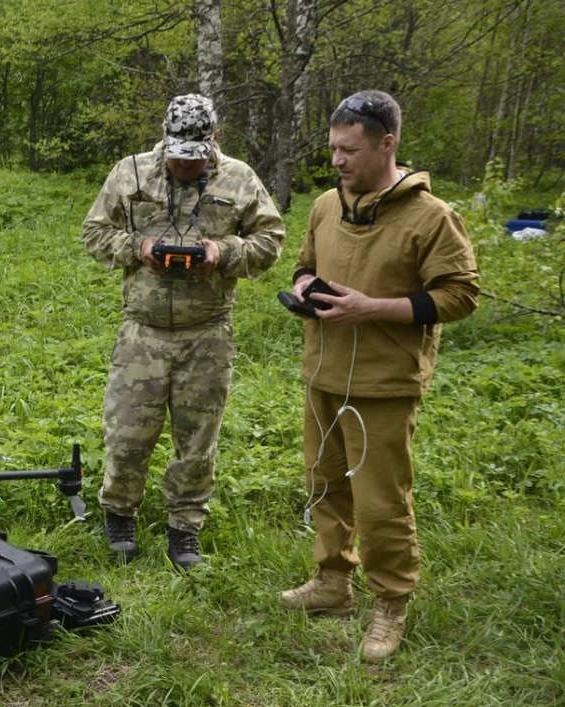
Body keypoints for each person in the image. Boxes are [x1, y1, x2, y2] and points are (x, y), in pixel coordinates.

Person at [280, 90, 479, 662]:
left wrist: (371, 307)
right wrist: (302, 286)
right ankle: (332, 582)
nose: (338, 161)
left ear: (387, 143)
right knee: (324, 484)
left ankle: (390, 601)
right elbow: (306, 263)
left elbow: (460, 294)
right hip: (323, 372)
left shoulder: (431, 217)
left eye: (350, 150)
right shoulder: (325, 204)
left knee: (380, 504)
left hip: (384, 383)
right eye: (333, 149)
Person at [82, 94, 284, 569]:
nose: (183, 167)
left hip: (207, 332)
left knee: (197, 440)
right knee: (127, 434)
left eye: (192, 159)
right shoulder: (130, 173)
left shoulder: (239, 178)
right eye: (176, 157)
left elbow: (271, 240)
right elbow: (93, 233)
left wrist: (223, 252)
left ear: (214, 141)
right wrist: (138, 245)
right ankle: (120, 515)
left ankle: (185, 528)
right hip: (142, 331)